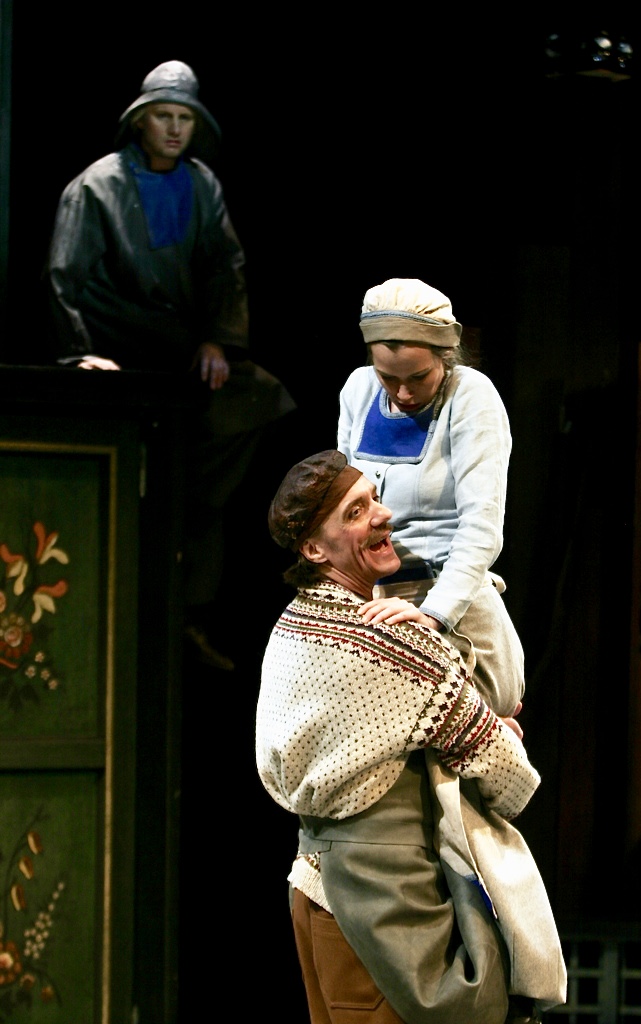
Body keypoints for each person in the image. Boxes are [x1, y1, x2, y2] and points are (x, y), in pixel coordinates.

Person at [256, 450, 566, 1024]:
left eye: (374, 498)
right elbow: (511, 781)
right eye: (355, 512)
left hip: (316, 890)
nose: (383, 515)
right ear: (315, 549)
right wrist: (497, 732)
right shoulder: (391, 641)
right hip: (386, 903)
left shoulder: (291, 625)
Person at [44, 60, 296, 669]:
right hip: (117, 340)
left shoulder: (202, 184)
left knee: (257, 395)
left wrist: (216, 341)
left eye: (185, 118)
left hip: (180, 345)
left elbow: (225, 267)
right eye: (164, 116)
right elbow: (65, 276)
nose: (175, 129)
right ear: (141, 121)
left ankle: (188, 532)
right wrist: (81, 351)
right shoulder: (96, 185)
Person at [337, 278, 523, 717]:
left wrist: (434, 615)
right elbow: (342, 504)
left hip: (453, 609)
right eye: (388, 377)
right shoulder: (359, 390)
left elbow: (481, 529)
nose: (402, 393)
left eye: (418, 377)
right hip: (379, 606)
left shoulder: (470, 395)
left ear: (446, 355)